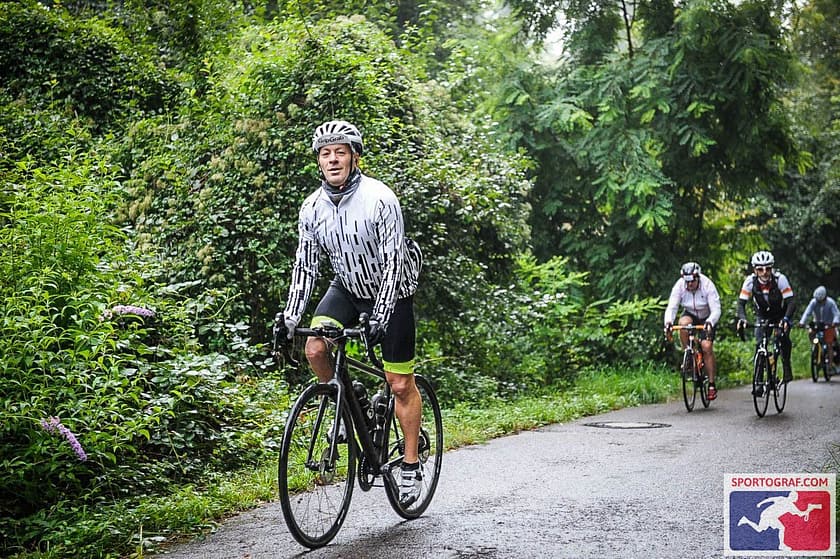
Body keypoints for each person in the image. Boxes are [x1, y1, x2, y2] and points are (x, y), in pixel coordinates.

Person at [274, 120, 424, 505]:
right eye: (325, 153)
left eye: (340, 152)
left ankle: (410, 465)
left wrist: (382, 315)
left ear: (354, 157)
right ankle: (347, 403)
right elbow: (305, 266)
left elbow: (393, 263)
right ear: (318, 162)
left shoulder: (380, 199)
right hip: (348, 288)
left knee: (399, 384)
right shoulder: (312, 208)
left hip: (393, 293)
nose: (333, 159)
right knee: (315, 348)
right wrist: (290, 318)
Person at [736, 250, 796, 392]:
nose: (764, 272)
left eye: (768, 269)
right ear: (755, 270)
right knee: (759, 344)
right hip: (762, 315)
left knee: (782, 337)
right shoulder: (750, 281)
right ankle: (758, 382)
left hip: (780, 314)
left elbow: (791, 302)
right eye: (760, 269)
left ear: (771, 268)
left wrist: (786, 319)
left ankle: (786, 365)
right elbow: (741, 304)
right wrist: (743, 319)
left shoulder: (780, 279)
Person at [664, 262, 722, 400]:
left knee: (706, 346)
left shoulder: (707, 285)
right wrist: (668, 323)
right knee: (683, 324)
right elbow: (672, 307)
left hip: (707, 316)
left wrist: (710, 322)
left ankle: (711, 384)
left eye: (692, 281)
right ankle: (689, 353)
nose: (689, 284)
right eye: (687, 281)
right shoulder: (679, 285)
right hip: (690, 313)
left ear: (698, 278)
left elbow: (716, 309)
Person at [798, 286, 840, 373]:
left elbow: (836, 314)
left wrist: (835, 322)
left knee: (829, 344)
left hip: (828, 325)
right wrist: (802, 322)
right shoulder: (813, 302)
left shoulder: (830, 303)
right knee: (810, 332)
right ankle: (815, 348)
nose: (819, 302)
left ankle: (830, 366)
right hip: (817, 324)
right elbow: (807, 312)